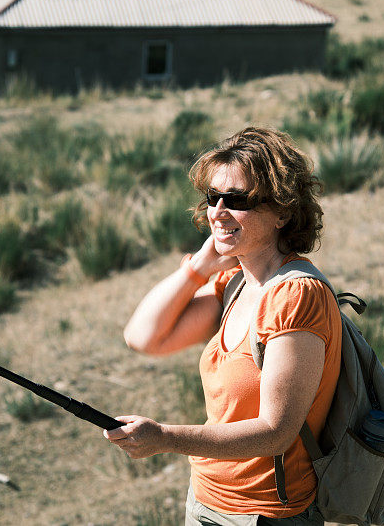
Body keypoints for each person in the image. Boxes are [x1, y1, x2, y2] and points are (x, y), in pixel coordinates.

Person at [104, 127, 342, 525]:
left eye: (237, 200)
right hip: (205, 500)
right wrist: (198, 267)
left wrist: (165, 438)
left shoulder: (297, 297)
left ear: (282, 211)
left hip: (265, 514)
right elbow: (143, 337)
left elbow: (276, 432)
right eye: (213, 197)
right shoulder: (233, 284)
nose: (217, 211)